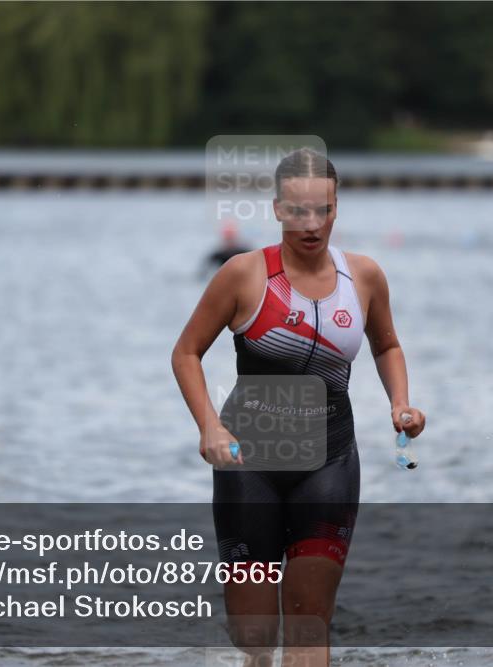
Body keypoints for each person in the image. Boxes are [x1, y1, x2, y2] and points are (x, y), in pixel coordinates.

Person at [172, 148, 425, 667]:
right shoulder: (243, 275)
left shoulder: (365, 278)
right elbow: (186, 352)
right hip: (249, 463)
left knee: (310, 624)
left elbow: (387, 346)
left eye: (323, 210)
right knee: (256, 635)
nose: (311, 224)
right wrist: (209, 427)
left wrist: (401, 402)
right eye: (298, 211)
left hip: (328, 459)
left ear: (336, 209)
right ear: (278, 210)